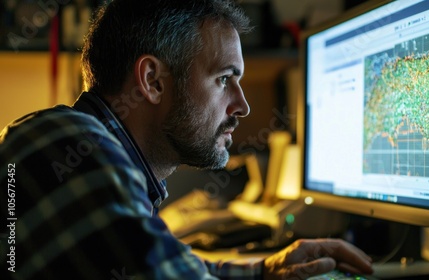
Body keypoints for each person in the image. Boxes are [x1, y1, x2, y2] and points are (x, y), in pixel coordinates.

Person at [0, 0, 374, 279]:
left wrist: (264, 271)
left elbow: (156, 263)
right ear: (153, 81)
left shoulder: (84, 147)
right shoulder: (68, 142)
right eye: (224, 78)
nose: (242, 106)